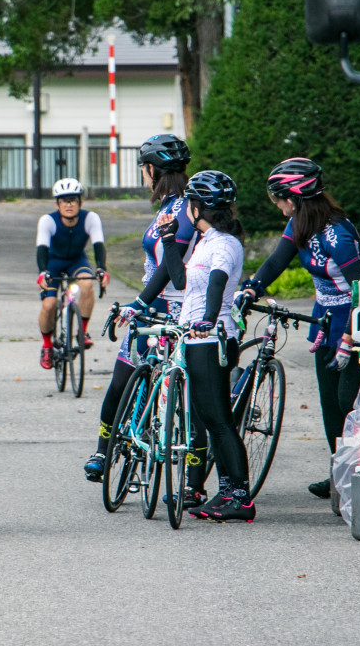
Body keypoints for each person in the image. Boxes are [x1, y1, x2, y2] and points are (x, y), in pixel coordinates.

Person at [118, 170, 254, 522]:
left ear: (196, 207)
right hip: (194, 336)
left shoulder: (223, 243)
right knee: (209, 418)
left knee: (219, 419)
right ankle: (227, 492)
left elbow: (217, 282)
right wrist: (167, 240)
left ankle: (239, 495)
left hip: (211, 336)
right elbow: (179, 279)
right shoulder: (204, 242)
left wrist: (207, 318)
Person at [240, 157, 360, 499]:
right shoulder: (300, 223)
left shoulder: (337, 233)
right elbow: (276, 261)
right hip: (325, 316)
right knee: (329, 401)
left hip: (356, 316)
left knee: (349, 400)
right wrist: (253, 287)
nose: (276, 205)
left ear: (294, 197)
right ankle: (340, 474)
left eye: (277, 198)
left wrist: (349, 335)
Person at [84, 135, 198, 487]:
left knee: (122, 381)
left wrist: (138, 304)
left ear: (152, 170)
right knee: (133, 380)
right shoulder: (171, 205)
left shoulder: (181, 210)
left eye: (144, 170)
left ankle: (104, 452)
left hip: (165, 305)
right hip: (156, 302)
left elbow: (169, 267)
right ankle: (110, 450)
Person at [35, 178, 109, 370]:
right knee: (49, 304)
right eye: (64, 200)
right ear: (57, 204)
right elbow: (42, 249)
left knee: (86, 284)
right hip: (52, 262)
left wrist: (101, 269)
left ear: (80, 203)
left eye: (73, 200)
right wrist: (43, 272)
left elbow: (98, 245)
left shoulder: (90, 218)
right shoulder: (48, 220)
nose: (69, 204)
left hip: (77, 260)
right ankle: (47, 345)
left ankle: (81, 332)